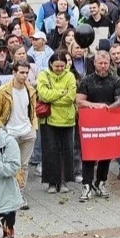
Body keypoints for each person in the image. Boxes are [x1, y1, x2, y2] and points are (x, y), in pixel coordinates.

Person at [75, 50, 120, 202]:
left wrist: (109, 108)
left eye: (106, 63)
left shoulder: (116, 80)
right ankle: (86, 185)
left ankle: (101, 182)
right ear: (94, 63)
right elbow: (79, 101)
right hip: (90, 123)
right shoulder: (87, 80)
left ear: (110, 63)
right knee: (88, 154)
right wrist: (95, 106)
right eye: (100, 63)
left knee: (106, 154)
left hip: (108, 123)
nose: (103, 66)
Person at [0, 61, 38, 208]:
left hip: (27, 131)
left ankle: (20, 194)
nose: (24, 75)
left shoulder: (30, 90)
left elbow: (33, 110)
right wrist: (2, 129)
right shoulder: (2, 91)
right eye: (21, 72)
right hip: (10, 133)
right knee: (11, 165)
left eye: (26, 72)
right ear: (14, 73)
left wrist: (33, 127)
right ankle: (9, 194)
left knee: (24, 165)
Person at [37, 52, 78, 194]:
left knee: (67, 151)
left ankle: (64, 181)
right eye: (56, 66)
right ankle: (52, 182)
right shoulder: (44, 75)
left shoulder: (70, 76)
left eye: (62, 66)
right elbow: (43, 95)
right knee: (50, 151)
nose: (60, 69)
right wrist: (61, 92)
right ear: (50, 64)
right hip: (49, 119)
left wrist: (53, 97)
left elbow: (70, 97)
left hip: (67, 119)